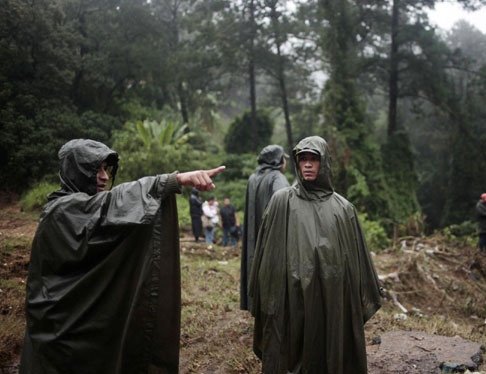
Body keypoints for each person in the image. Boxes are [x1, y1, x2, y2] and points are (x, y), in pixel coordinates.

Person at [19, 139, 225, 374]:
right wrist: (173, 180)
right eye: (95, 169)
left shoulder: (83, 209)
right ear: (75, 171)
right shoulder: (61, 211)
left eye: (106, 169)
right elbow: (109, 207)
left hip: (87, 332)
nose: (104, 176)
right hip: (58, 335)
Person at [248, 136, 382, 374]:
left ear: (324, 164)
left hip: (330, 298)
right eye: (303, 159)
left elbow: (356, 265)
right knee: (288, 350)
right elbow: (267, 257)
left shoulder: (343, 209)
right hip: (289, 297)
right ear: (297, 164)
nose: (308, 164)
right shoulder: (282, 202)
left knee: (326, 348)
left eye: (314, 159)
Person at [240, 144, 290, 311]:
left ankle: (257, 306)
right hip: (273, 240)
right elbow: (286, 207)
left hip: (255, 239)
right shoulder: (277, 178)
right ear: (277, 161)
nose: (286, 162)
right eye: (284, 159)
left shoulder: (252, 178)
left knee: (257, 269)